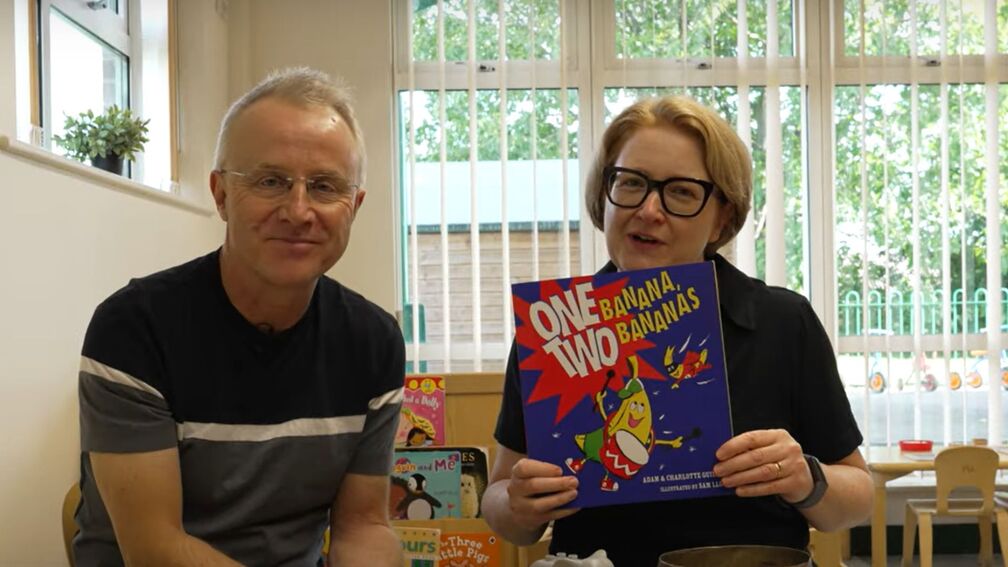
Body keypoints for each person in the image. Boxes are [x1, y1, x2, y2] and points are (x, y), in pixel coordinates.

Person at [482, 95, 873, 565]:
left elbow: (858, 499)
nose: (649, 210)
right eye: (631, 182)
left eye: (682, 192)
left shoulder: (782, 322)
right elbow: (502, 503)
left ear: (723, 217)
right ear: (603, 194)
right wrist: (518, 505)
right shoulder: (556, 326)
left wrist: (807, 479)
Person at [73, 67, 404, 566]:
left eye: (324, 186)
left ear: (354, 206)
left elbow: (364, 526)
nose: (298, 211)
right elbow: (156, 550)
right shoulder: (134, 330)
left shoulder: (374, 341)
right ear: (221, 194)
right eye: (270, 181)